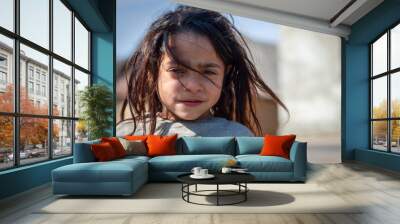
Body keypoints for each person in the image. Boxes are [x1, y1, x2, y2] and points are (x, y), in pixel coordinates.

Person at [117, 6, 288, 137]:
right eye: (177, 70)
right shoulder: (129, 134)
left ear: (225, 75)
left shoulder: (239, 137)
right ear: (152, 75)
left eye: (208, 72)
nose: (192, 86)